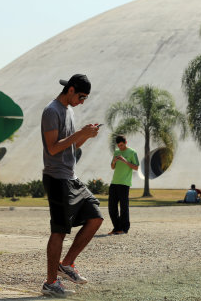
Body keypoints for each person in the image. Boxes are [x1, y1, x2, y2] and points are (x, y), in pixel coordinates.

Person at [40, 73, 104, 297]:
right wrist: (80, 133)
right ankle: (50, 282)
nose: (82, 101)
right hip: (56, 177)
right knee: (59, 231)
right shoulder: (51, 111)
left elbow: (71, 147)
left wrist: (86, 136)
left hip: (70, 176)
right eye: (82, 96)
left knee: (95, 217)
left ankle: (66, 264)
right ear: (70, 90)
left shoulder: (69, 110)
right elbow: (53, 148)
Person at [108, 135, 139, 235]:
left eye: (121, 145)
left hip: (124, 183)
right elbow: (112, 167)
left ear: (126, 142)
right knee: (112, 207)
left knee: (123, 207)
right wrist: (114, 161)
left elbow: (136, 167)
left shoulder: (132, 152)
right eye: (119, 146)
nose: (120, 147)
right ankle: (116, 227)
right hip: (114, 182)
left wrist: (124, 161)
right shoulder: (117, 152)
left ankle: (124, 228)